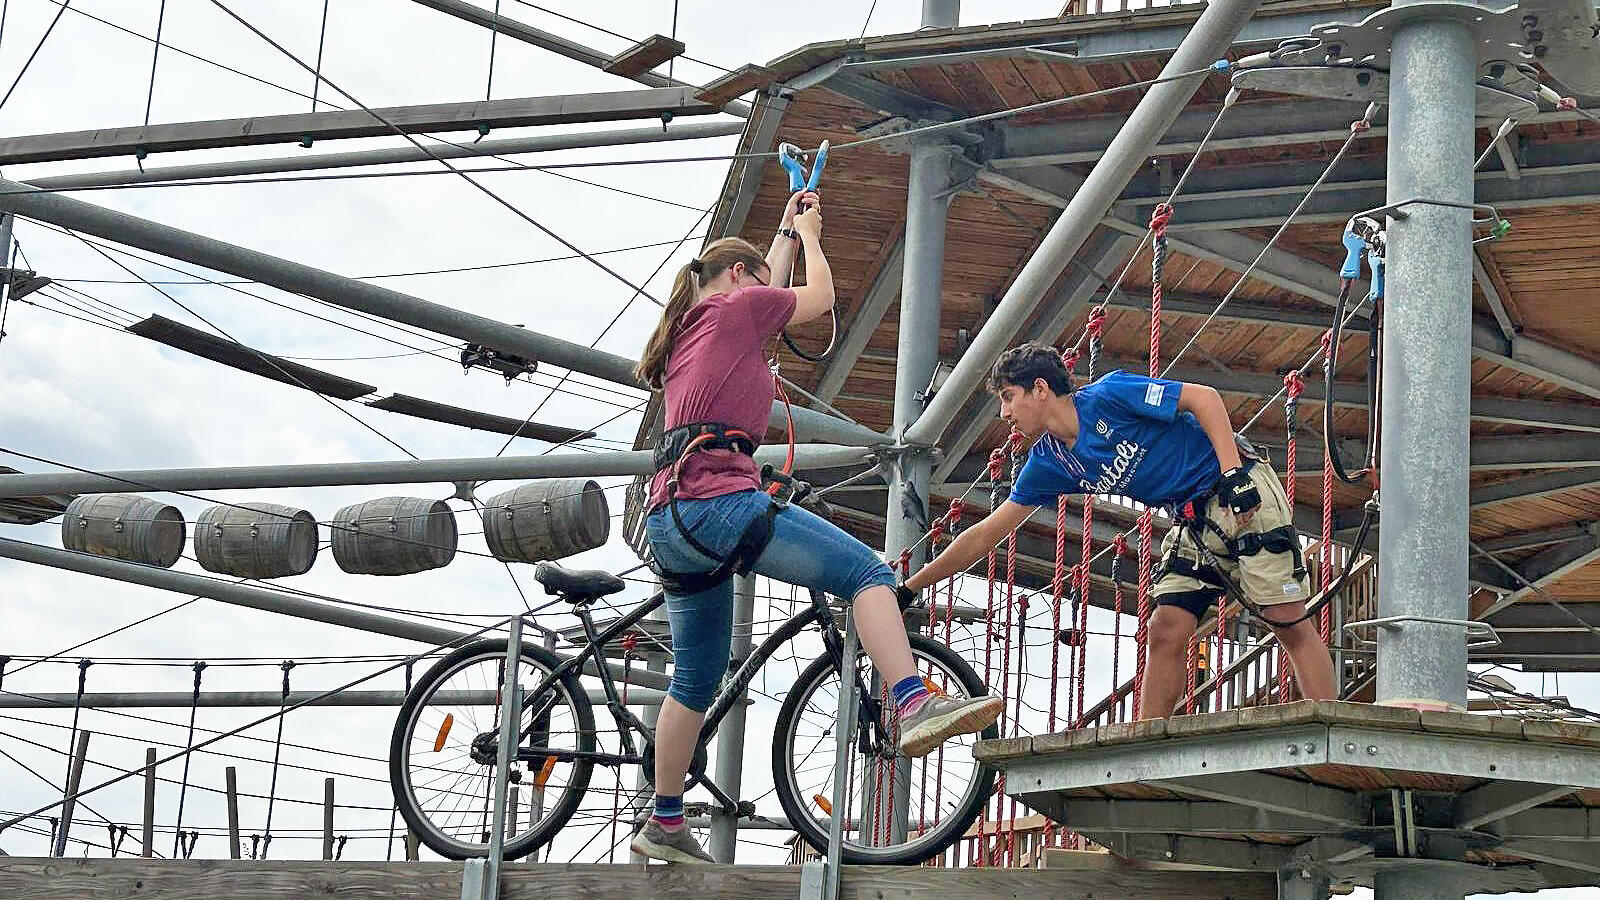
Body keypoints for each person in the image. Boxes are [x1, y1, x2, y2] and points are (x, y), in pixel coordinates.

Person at [629, 191, 1003, 864]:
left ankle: (664, 821)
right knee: (865, 573)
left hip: (670, 517)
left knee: (695, 676)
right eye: (757, 277)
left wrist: (784, 231)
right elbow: (819, 298)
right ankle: (913, 701)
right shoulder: (735, 309)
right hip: (718, 502)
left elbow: (769, 286)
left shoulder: (694, 326)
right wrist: (811, 235)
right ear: (739, 277)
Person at [903, 342, 1336, 721]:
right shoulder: (1048, 463)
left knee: (1286, 620)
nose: (1004, 413)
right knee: (1165, 628)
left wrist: (1232, 474)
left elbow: (1203, 398)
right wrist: (912, 586)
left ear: (1040, 388)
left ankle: (1330, 724)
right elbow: (986, 533)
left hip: (1237, 489)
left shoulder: (1109, 396)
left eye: (1008, 397)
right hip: (1192, 518)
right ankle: (1145, 745)